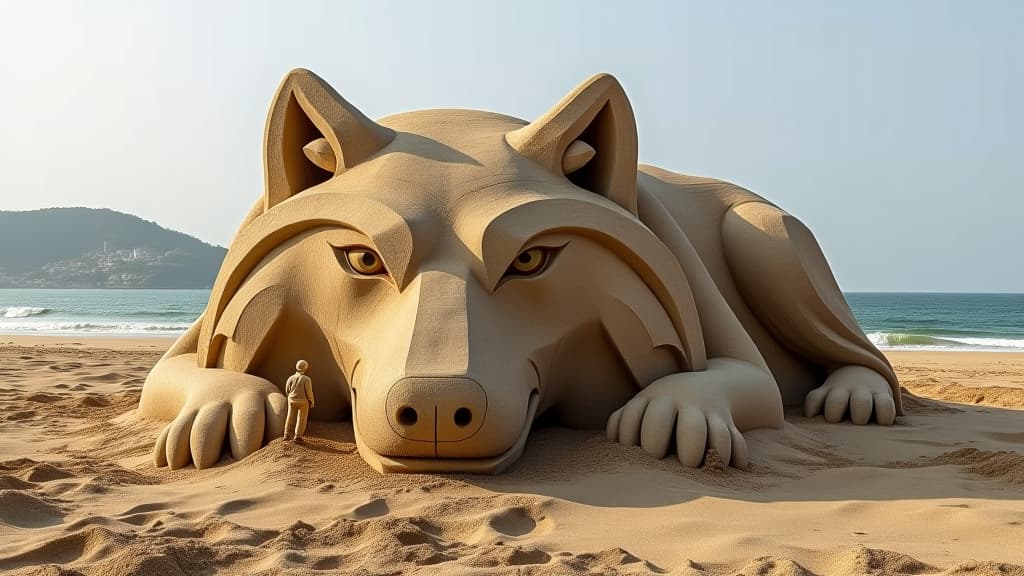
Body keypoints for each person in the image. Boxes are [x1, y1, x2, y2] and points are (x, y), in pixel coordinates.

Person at [283, 360, 315, 443]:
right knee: (302, 418)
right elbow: (309, 392)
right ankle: (298, 436)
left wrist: (289, 397)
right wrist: (311, 401)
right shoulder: (307, 379)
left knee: (290, 416)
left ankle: (286, 434)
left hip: (291, 400)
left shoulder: (291, 378)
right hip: (303, 402)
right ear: (306, 368)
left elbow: (287, 390)